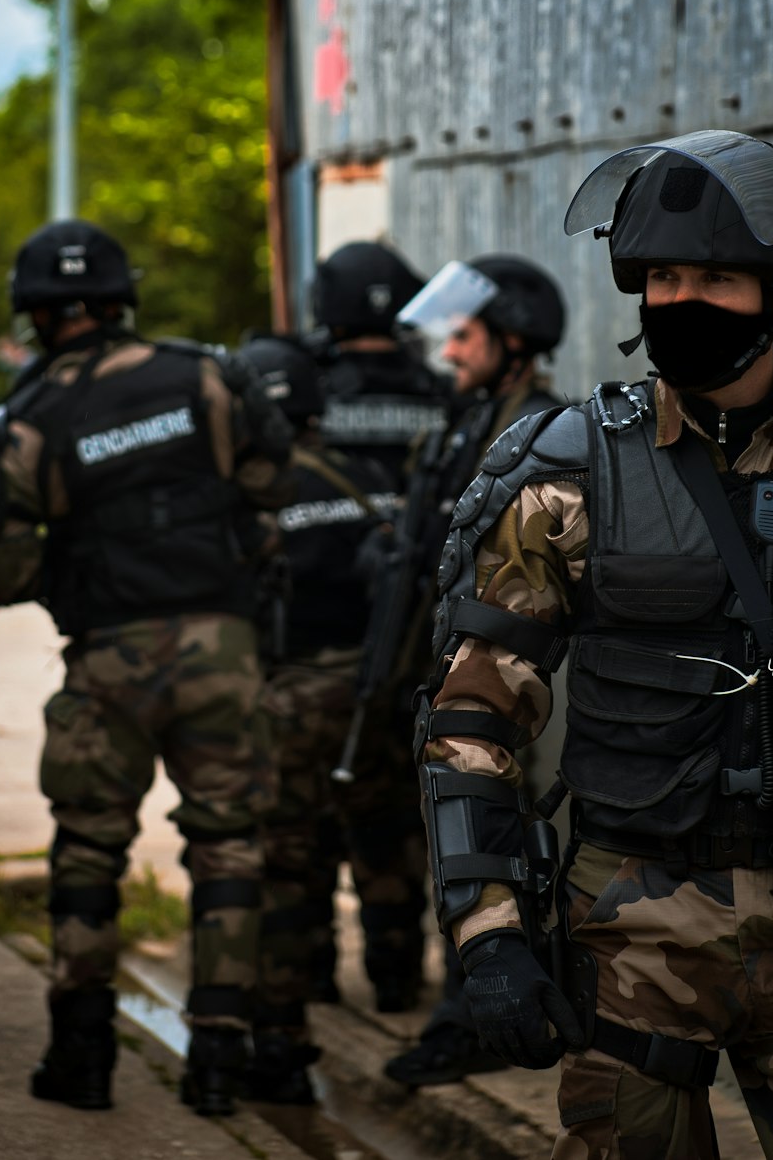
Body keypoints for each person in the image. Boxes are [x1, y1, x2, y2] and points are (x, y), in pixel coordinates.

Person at [418, 130, 773, 1158]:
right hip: (632, 930)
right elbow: (471, 718)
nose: (682, 300)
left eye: (715, 276)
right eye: (662, 276)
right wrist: (486, 937)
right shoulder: (567, 474)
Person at [0, 219, 293, 1119]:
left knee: (89, 845)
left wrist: (69, 553)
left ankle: (82, 1056)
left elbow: (2, 571)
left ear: (33, 316)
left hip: (108, 657)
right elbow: (273, 480)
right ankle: (221, 1061)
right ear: (123, 299)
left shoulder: (24, 419)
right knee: (229, 841)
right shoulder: (210, 375)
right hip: (223, 647)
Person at [383, 254, 569, 1087]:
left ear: (514, 340)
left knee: (488, 833)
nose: (451, 352)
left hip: (504, 678)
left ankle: (478, 1012)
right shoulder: (461, 421)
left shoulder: (540, 433)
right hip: (442, 666)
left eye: (465, 335)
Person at [238, 334, 399, 1104]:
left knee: (290, 854)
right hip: (378, 691)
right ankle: (399, 982)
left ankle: (303, 993)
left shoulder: (254, 488)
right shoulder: (373, 474)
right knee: (385, 839)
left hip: (291, 695)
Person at [306, 240, 453, 1009]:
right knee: (408, 822)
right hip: (428, 643)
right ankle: (403, 983)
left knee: (320, 822)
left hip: (323, 643)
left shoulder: (309, 394)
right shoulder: (443, 394)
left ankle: (316, 987)